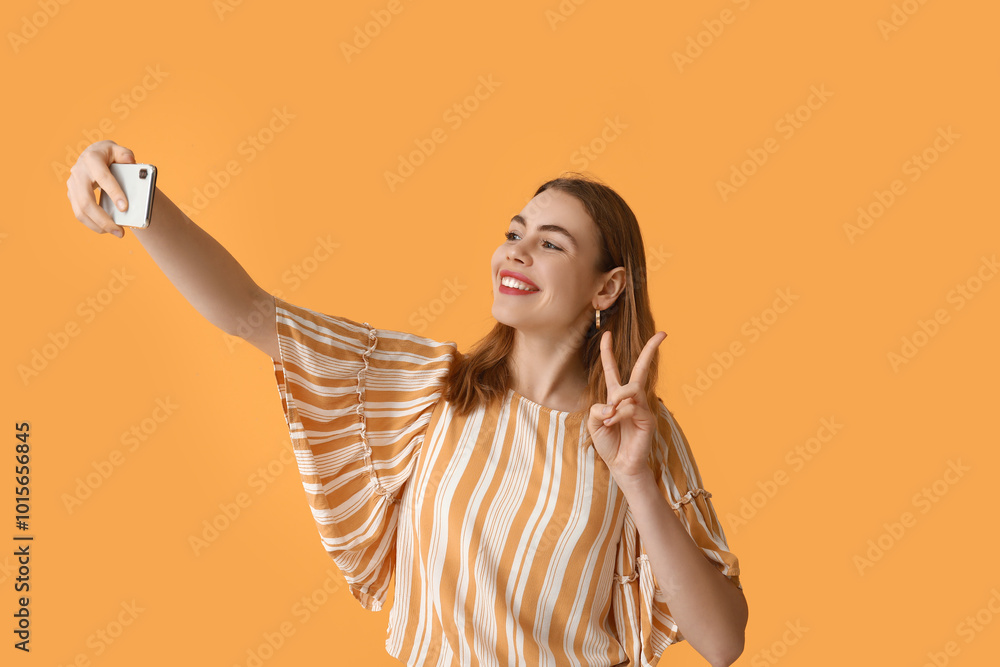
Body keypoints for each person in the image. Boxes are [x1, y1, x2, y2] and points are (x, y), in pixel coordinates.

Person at [66, 140, 748, 666]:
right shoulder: (431, 387)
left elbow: (722, 642)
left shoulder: (636, 435)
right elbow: (247, 310)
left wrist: (636, 480)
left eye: (550, 244)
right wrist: (131, 192)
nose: (516, 253)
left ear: (607, 289)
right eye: (514, 233)